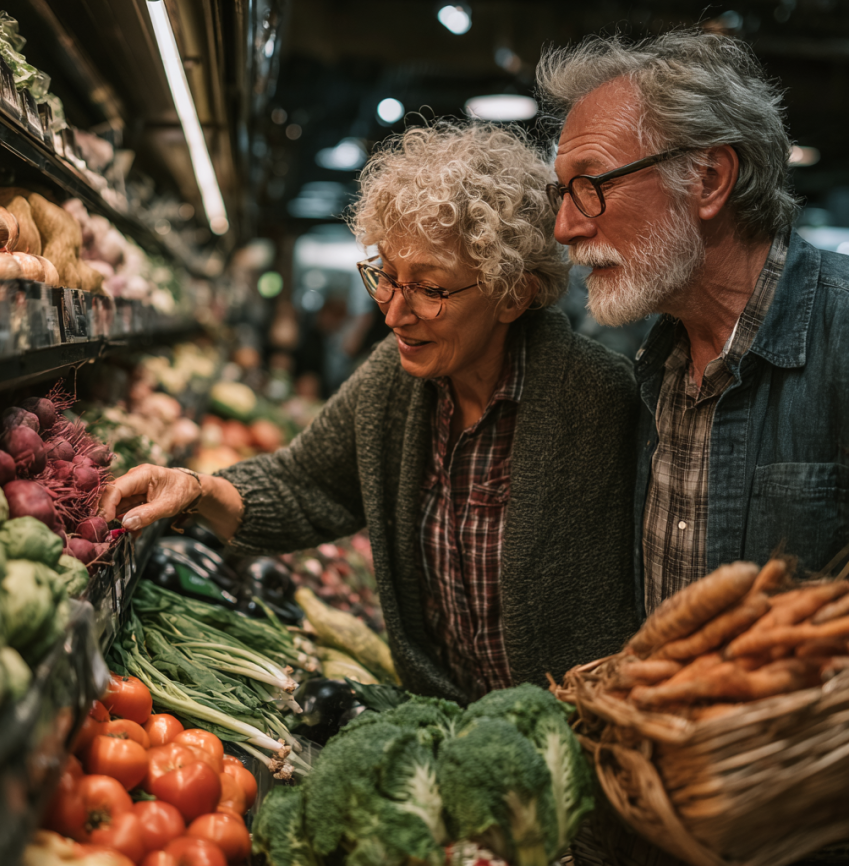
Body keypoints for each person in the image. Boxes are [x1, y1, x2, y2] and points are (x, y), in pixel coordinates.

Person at [100, 121, 639, 703]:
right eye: (386, 277)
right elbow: (307, 484)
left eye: (430, 290)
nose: (393, 314)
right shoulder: (396, 381)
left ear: (514, 293)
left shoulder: (599, 401)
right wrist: (195, 487)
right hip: (442, 721)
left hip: (580, 732)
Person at [537, 31, 849, 621]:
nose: (564, 227)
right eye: (562, 193)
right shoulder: (655, 362)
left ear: (708, 178)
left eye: (591, 186)